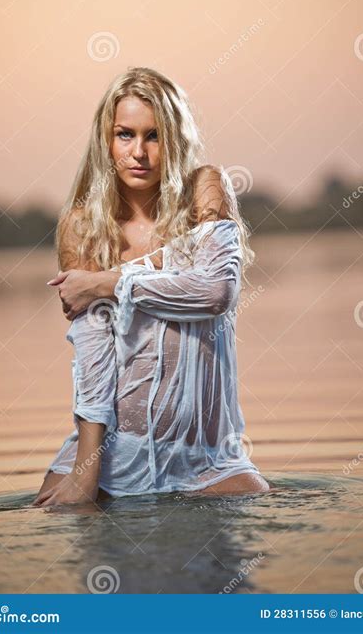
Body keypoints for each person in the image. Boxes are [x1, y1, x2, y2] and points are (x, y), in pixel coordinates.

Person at [32, 67, 270, 507]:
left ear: (175, 139)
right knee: (54, 521)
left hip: (206, 458)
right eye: (125, 135)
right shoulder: (82, 226)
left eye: (154, 136)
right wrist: (86, 471)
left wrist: (108, 281)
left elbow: (216, 291)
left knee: (241, 538)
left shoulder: (206, 188)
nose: (138, 152)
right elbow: (93, 353)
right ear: (107, 139)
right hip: (112, 454)